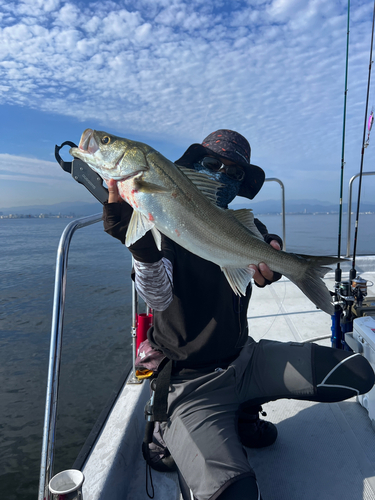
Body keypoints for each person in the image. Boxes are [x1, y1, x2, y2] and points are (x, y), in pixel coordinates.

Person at [103, 130, 375, 500]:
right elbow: (158, 296)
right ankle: (169, 427)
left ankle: (244, 408)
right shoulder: (161, 221)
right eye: (213, 164)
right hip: (189, 381)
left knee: (357, 373)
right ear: (194, 166)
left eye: (234, 172)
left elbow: (264, 241)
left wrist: (278, 254)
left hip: (244, 360)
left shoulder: (243, 225)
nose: (222, 174)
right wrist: (138, 244)